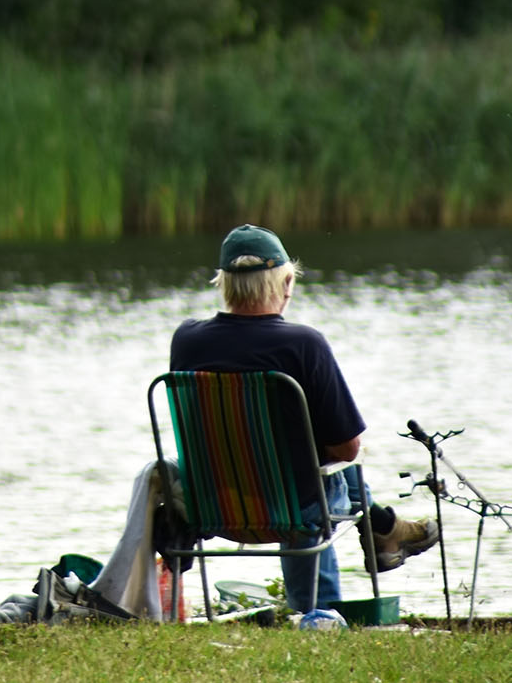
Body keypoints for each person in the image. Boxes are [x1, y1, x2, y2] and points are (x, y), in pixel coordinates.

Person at [168, 224, 437, 629]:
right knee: (338, 470)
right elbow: (348, 448)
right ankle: (328, 600)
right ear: (287, 282)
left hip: (213, 505)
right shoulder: (304, 344)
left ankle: (385, 531)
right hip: (292, 508)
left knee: (313, 470)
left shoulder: (186, 339)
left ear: (222, 283)